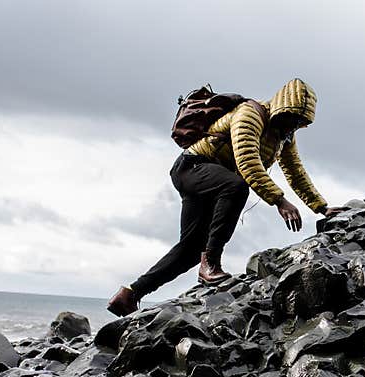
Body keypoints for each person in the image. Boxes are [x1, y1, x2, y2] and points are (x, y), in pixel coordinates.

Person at [107, 78, 344, 317]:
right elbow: (247, 161)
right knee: (237, 186)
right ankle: (210, 263)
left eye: (301, 122)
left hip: (212, 180)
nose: (295, 126)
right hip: (192, 168)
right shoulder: (250, 114)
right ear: (282, 109)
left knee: (190, 249)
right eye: (293, 118)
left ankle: (130, 295)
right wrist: (279, 200)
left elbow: (295, 172)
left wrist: (322, 208)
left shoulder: (283, 136)